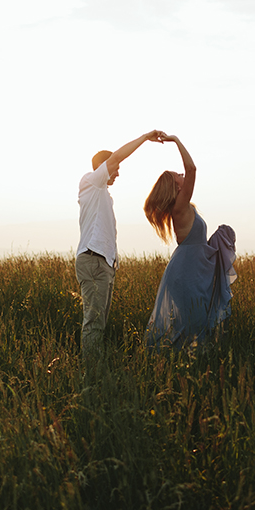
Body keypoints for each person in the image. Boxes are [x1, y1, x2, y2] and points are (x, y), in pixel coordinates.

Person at [76, 130, 164, 379]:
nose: (118, 172)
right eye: (114, 168)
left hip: (102, 263)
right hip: (92, 260)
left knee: (99, 323)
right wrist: (145, 138)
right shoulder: (90, 182)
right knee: (93, 322)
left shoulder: (102, 196)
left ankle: (95, 372)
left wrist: (113, 261)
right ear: (105, 167)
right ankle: (91, 377)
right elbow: (117, 159)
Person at [143, 134, 236, 353]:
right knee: (191, 324)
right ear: (175, 187)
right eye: (179, 175)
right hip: (185, 273)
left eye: (181, 173)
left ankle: (191, 365)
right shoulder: (179, 207)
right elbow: (192, 168)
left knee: (194, 324)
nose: (183, 175)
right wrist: (175, 140)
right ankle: (181, 366)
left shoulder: (184, 207)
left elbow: (198, 243)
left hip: (192, 270)